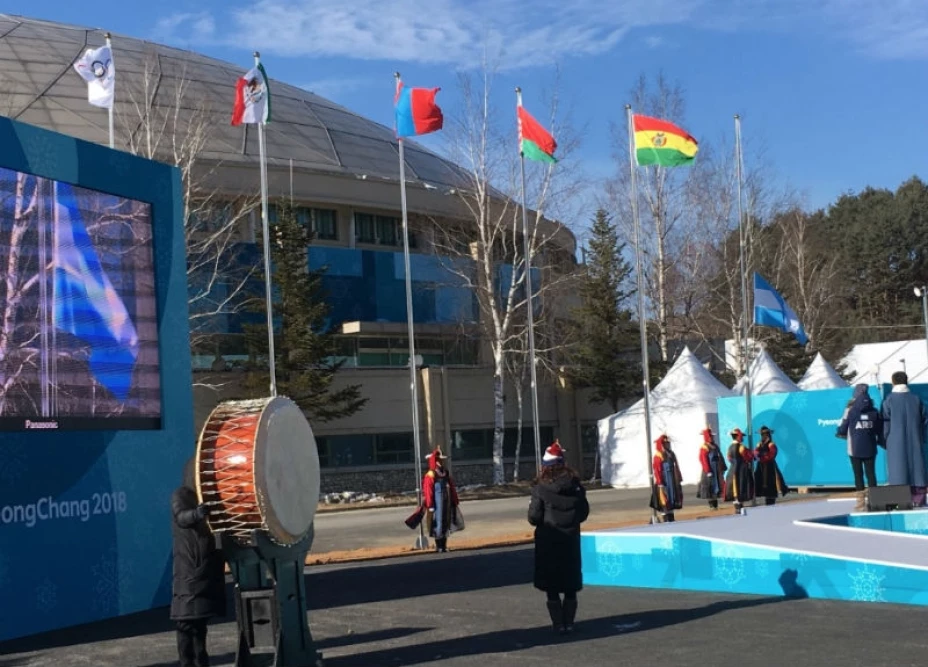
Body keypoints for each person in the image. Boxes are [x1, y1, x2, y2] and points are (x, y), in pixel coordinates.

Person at [527, 442, 589, 635]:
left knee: (551, 583)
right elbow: (584, 512)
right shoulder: (576, 486)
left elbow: (534, 517)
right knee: (569, 581)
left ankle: (557, 624)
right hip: (570, 538)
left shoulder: (540, 488)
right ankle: (569, 622)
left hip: (549, 539)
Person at [171, 458, 227, 667]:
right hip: (189, 569)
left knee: (200, 625)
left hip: (206, 568)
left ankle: (202, 663)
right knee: (186, 623)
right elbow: (181, 517)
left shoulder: (208, 497)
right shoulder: (181, 495)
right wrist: (197, 513)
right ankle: (187, 663)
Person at [882, 371, 928, 507]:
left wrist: (884, 439)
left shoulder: (889, 400)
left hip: (895, 442)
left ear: (893, 382)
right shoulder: (916, 399)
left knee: (898, 471)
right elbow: (925, 420)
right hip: (915, 440)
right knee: (917, 471)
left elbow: (885, 422)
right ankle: (919, 500)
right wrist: (924, 437)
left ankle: (900, 501)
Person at [836, 383, 883, 510]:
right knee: (871, 474)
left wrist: (839, 431)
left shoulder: (850, 410)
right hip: (870, 448)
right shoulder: (874, 411)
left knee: (858, 475)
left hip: (854, 448)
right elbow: (879, 429)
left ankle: (861, 504)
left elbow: (842, 428)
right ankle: (875, 502)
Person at [423, 447, 460, 552]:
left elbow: (451, 486)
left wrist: (454, 499)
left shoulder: (446, 472)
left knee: (446, 521)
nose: (441, 462)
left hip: (446, 500)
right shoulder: (431, 474)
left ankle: (444, 545)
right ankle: (438, 546)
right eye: (439, 460)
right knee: (438, 522)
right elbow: (428, 491)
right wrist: (430, 505)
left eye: (442, 460)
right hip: (436, 502)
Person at [649, 434, 683, 522]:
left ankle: (671, 516)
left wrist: (678, 477)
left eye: (668, 443)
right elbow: (657, 470)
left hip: (672, 479)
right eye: (665, 443)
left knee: (672, 497)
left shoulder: (671, 454)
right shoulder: (658, 455)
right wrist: (660, 482)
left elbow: (676, 466)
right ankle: (665, 517)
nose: (667, 445)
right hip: (664, 480)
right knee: (664, 498)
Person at [754, 426, 789, 505]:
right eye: (762, 434)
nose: (763, 436)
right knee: (761, 482)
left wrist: (762, 457)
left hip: (769, 466)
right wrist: (756, 455)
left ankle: (771, 501)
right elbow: (755, 452)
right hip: (761, 466)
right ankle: (766, 499)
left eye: (764, 434)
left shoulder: (771, 444)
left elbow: (772, 455)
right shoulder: (759, 444)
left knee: (770, 483)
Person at [724, 427, 755, 513]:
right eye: (741, 436)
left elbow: (729, 458)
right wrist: (753, 454)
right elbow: (748, 457)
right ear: (738, 437)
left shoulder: (730, 447)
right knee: (741, 487)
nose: (742, 438)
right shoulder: (741, 447)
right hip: (742, 471)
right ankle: (740, 506)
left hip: (733, 470)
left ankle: (736, 505)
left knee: (734, 488)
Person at [697, 427, 727, 510]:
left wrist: (723, 466)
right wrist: (708, 470)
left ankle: (715, 505)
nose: (712, 438)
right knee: (710, 486)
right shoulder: (704, 448)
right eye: (710, 436)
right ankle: (711, 505)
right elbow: (703, 459)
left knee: (716, 486)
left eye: (712, 436)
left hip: (716, 469)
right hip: (709, 470)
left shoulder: (715, 446)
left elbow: (720, 456)